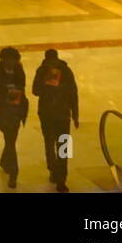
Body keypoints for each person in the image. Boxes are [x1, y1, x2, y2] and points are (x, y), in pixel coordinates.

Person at [32, 49, 79, 192]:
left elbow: (35, 91)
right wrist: (75, 115)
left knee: (51, 142)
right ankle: (59, 175)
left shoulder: (44, 71)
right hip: (61, 114)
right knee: (62, 144)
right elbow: (73, 94)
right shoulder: (64, 71)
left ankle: (55, 172)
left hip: (48, 114)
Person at [0, 46, 28, 188]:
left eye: (13, 60)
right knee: (10, 139)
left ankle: (9, 168)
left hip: (16, 111)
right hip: (2, 110)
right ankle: (10, 169)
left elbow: (23, 87)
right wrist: (4, 95)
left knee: (10, 140)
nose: (11, 63)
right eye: (8, 60)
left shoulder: (19, 71)